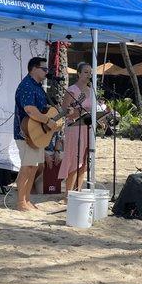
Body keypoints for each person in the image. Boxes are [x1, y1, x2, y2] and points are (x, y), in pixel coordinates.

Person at [14, 57, 58, 211]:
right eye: (44, 69)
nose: (47, 71)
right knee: (27, 167)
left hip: (37, 135)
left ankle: (26, 200)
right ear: (33, 68)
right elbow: (30, 110)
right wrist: (47, 121)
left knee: (33, 167)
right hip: (26, 133)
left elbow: (42, 109)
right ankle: (21, 202)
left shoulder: (38, 87)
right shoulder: (27, 85)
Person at [58, 62, 92, 196]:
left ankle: (77, 191)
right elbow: (65, 110)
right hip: (74, 128)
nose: (88, 75)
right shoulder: (72, 90)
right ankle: (68, 193)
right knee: (74, 159)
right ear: (78, 73)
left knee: (84, 160)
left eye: (90, 72)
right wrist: (79, 112)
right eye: (85, 72)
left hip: (87, 128)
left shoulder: (91, 90)